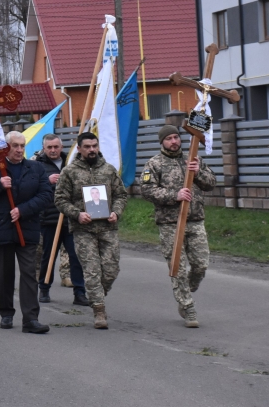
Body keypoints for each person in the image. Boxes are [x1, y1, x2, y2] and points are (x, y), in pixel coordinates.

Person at [0, 131, 53, 333]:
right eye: (15, 146)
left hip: (26, 228)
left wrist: (23, 210)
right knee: (5, 274)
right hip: (1, 228)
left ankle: (30, 319)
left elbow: (46, 195)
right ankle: (6, 313)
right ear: (6, 148)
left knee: (28, 273)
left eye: (22, 146)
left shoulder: (35, 168)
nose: (19, 150)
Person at [141, 125, 216, 328]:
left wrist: (198, 172)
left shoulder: (194, 158)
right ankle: (187, 306)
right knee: (178, 268)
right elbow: (147, 190)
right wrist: (175, 196)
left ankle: (187, 290)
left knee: (201, 265)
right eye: (169, 139)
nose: (173, 141)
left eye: (176, 137)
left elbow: (211, 183)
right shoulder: (154, 164)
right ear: (162, 142)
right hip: (170, 223)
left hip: (195, 219)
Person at [55, 132, 127, 330]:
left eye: (94, 145)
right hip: (83, 229)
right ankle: (99, 310)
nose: (92, 149)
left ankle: (97, 295)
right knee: (92, 270)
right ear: (79, 149)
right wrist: (77, 214)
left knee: (111, 269)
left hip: (108, 227)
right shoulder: (69, 172)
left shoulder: (108, 170)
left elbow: (121, 195)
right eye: (87, 146)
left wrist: (116, 212)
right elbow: (60, 199)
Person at [35, 134, 88, 306]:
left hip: (72, 219)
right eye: (49, 147)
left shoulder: (71, 162)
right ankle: (44, 288)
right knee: (48, 256)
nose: (53, 150)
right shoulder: (37, 166)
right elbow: (30, 187)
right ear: (44, 148)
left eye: (56, 147)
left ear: (61, 147)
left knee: (76, 256)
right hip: (50, 218)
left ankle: (79, 292)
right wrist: (46, 181)